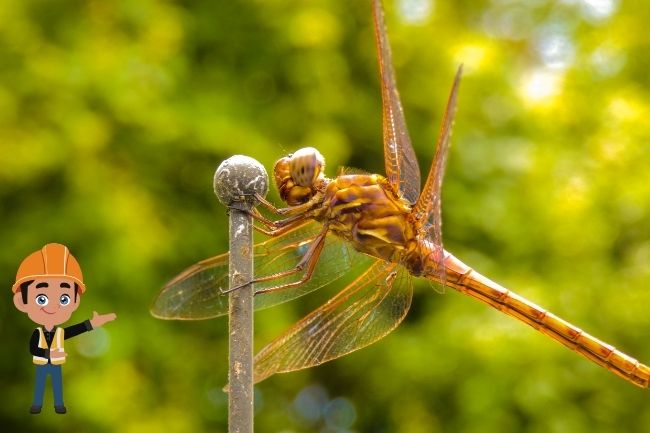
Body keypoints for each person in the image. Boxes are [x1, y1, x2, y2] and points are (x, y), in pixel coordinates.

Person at [11, 243, 117, 414]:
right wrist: (48, 354)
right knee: (40, 384)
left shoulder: (60, 332)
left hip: (55, 365)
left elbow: (74, 331)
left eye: (63, 299)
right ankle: (37, 404)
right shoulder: (37, 333)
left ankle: (58, 405)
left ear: (74, 301)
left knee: (57, 384)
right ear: (22, 302)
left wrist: (92, 324)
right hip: (43, 363)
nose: (52, 306)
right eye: (42, 299)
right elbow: (34, 348)